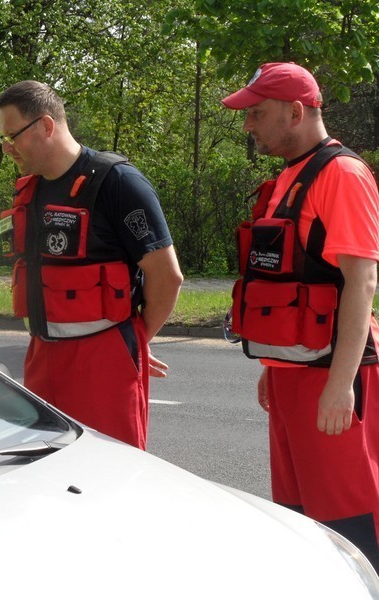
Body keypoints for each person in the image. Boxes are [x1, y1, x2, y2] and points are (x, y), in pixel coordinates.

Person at [223, 62, 379, 568]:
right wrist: (274, 367)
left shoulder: (343, 175)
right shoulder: (290, 176)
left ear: (295, 112)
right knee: (300, 520)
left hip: (332, 375)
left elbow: (362, 281)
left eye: (256, 113)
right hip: (295, 376)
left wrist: (340, 384)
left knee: (350, 525)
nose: (248, 125)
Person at [0, 81, 183, 450]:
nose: (7, 148)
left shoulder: (118, 182)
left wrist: (133, 342)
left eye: (12, 136)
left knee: (112, 481)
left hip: (103, 365)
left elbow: (167, 276)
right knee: (47, 479)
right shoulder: (29, 189)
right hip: (41, 356)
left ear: (46, 126)